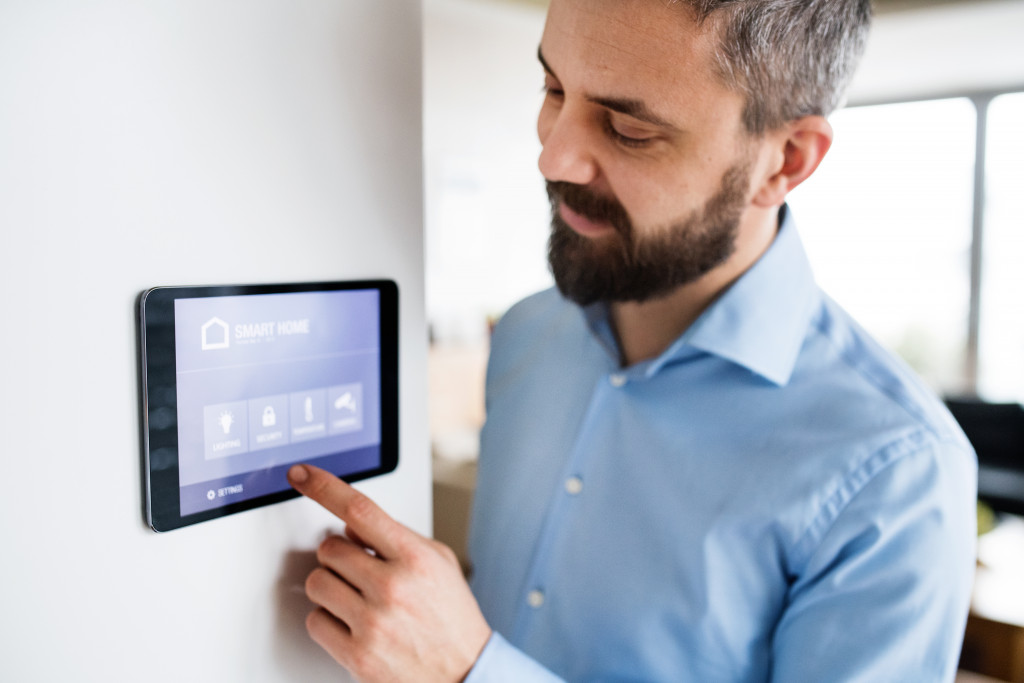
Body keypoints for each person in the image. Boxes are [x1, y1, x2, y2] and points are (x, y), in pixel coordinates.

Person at [288, 0, 978, 680]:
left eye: (627, 129)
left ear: (786, 161)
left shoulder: (899, 475)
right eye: (553, 88)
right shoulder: (528, 334)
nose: (553, 157)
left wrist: (471, 670)